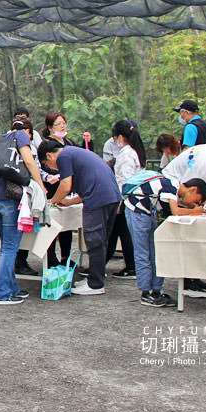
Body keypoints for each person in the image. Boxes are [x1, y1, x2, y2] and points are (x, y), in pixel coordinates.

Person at [41, 139, 122, 296]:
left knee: (94, 240)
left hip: (98, 200)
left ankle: (95, 285)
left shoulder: (63, 156)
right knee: (100, 240)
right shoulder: (74, 153)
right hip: (110, 196)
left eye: (46, 165)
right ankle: (95, 277)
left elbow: (65, 186)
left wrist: (52, 202)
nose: (51, 168)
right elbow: (85, 186)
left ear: (49, 156)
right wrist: (69, 202)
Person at [123, 174, 206, 308]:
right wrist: (195, 211)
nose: (194, 204)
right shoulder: (171, 186)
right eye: (197, 200)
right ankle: (146, 293)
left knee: (156, 252)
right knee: (143, 253)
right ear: (193, 190)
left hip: (147, 213)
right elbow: (175, 211)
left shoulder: (172, 186)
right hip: (137, 211)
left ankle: (156, 291)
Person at [160, 142, 206, 293]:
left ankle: (195, 277)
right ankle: (188, 281)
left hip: (186, 194)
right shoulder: (204, 162)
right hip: (173, 193)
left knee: (196, 233)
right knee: (188, 235)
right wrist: (200, 208)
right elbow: (189, 197)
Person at [0, 119, 46, 305]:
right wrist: (40, 186)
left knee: (6, 247)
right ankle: (2, 293)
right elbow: (28, 160)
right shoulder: (20, 135)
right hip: (11, 201)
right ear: (27, 132)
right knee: (10, 249)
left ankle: (12, 288)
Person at [39, 112, 74, 269]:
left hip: (69, 187)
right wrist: (49, 177)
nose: (62, 126)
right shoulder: (47, 145)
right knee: (52, 223)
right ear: (50, 128)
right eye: (58, 124)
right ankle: (51, 257)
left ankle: (66, 256)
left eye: (64, 123)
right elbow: (41, 166)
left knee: (67, 223)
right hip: (53, 187)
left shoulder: (69, 142)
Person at [108, 120, 142, 280]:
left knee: (122, 233)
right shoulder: (132, 152)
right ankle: (105, 263)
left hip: (124, 199)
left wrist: (121, 201)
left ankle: (131, 267)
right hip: (126, 198)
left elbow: (125, 180)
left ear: (120, 137)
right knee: (117, 232)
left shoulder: (127, 155)